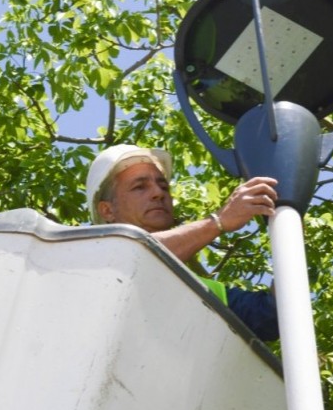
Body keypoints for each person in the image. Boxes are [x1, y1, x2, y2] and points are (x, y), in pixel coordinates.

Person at [85, 144, 280, 341]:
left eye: (163, 186)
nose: (158, 193)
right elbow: (134, 255)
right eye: (140, 187)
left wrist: (286, 222)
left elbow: (274, 315)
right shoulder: (86, 263)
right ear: (107, 211)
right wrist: (218, 221)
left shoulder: (210, 293)